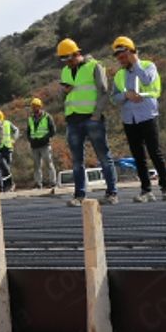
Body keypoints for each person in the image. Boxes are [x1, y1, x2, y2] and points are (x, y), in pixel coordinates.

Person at [110, 36, 166, 202]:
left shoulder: (148, 66)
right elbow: (114, 98)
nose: (121, 60)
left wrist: (136, 62)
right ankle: (146, 190)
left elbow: (147, 80)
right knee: (138, 156)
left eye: (124, 57)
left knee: (155, 152)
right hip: (129, 119)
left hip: (147, 115)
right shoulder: (119, 75)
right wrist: (125, 95)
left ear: (132, 53)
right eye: (119, 58)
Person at [57, 38, 119, 206]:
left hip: (92, 119)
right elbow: (63, 96)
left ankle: (112, 193)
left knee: (103, 157)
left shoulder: (94, 66)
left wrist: (96, 115)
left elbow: (104, 91)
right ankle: (79, 196)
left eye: (69, 59)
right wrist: (64, 92)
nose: (67, 63)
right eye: (63, 60)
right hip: (73, 120)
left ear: (77, 53)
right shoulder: (65, 71)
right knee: (77, 161)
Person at [26, 97, 57, 190]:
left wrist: (45, 137)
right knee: (36, 166)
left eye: (36, 106)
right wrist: (30, 139)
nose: (34, 108)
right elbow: (28, 132)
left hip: (45, 145)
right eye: (33, 106)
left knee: (48, 163)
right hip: (34, 146)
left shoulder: (47, 117)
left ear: (40, 107)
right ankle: (38, 183)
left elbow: (53, 131)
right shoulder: (30, 119)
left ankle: (52, 182)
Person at [0, 109, 18, 191]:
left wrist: (13, 139)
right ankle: (8, 184)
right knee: (4, 167)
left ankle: (8, 185)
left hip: (8, 148)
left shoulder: (8, 123)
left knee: (7, 166)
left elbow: (16, 130)